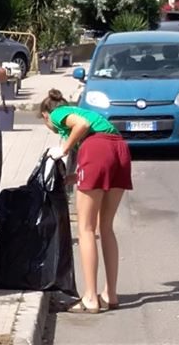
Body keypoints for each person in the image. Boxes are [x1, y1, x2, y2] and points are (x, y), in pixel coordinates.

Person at [39, 89, 132, 314]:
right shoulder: (86, 112)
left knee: (86, 229)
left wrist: (63, 150)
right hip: (119, 148)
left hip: (98, 150)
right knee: (106, 226)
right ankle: (110, 294)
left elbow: (80, 126)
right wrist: (73, 177)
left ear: (45, 116)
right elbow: (98, 145)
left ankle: (90, 297)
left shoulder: (58, 113)